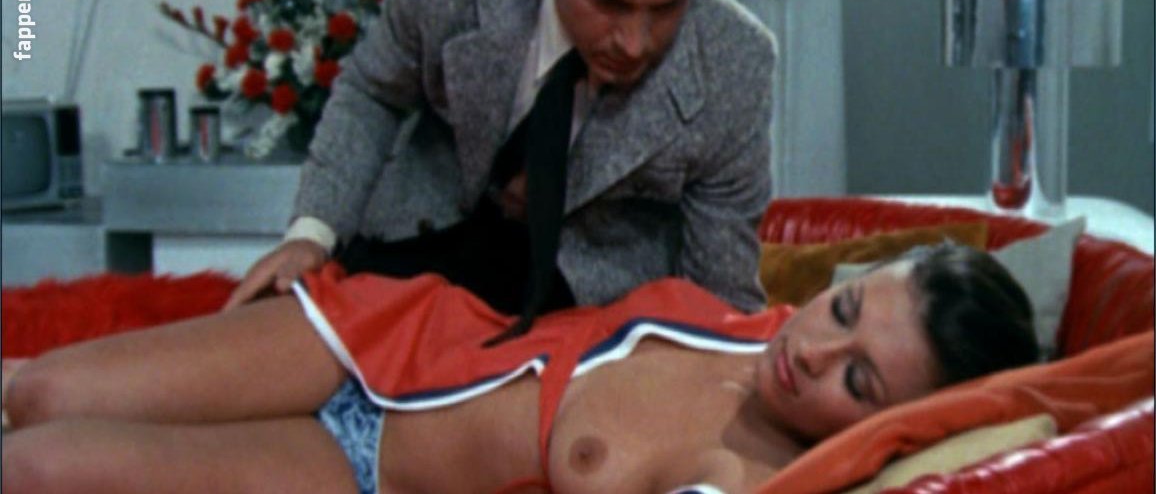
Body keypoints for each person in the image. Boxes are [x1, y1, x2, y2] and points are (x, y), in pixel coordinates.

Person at [227, 0, 779, 331]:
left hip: (580, 315)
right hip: (415, 248)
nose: (635, 44)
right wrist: (311, 234)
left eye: (666, 7)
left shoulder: (735, 63)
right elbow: (373, 93)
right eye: (607, 1)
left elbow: (719, 299)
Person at [2, 243, 1039, 493]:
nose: (810, 352)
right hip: (388, 338)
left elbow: (1070, 399)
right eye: (843, 310)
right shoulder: (761, 323)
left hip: (364, 473)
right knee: (36, 389)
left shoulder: (748, 477)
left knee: (37, 468)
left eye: (858, 381)